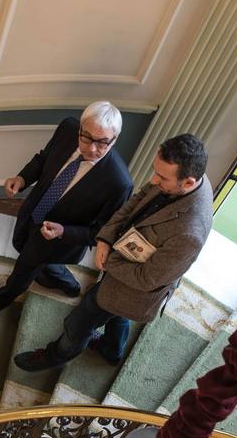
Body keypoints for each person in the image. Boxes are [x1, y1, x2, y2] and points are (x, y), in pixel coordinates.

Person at [13, 134, 212, 372]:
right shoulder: (187, 178)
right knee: (118, 315)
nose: (152, 180)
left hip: (133, 288)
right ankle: (112, 349)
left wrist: (109, 261)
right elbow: (136, 202)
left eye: (161, 177)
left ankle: (55, 356)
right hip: (124, 264)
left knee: (79, 323)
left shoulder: (190, 234)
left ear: (189, 183)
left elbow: (147, 278)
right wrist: (106, 239)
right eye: (154, 171)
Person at [0, 102, 133, 323]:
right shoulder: (67, 129)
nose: (92, 149)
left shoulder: (119, 183)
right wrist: (23, 178)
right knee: (22, 246)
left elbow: (101, 232)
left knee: (24, 269)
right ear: (80, 128)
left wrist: (63, 231)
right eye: (86, 137)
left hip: (60, 239)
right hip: (34, 211)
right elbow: (44, 158)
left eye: (102, 142)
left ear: (115, 139)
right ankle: (64, 280)